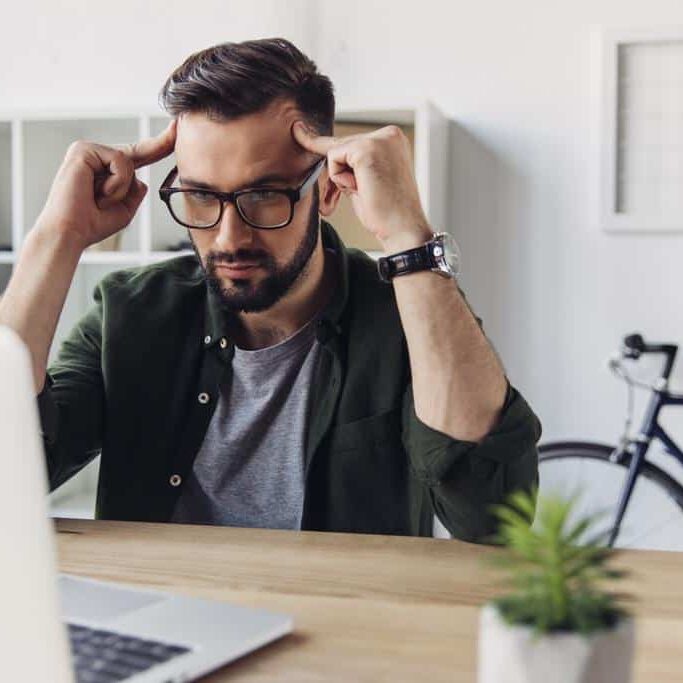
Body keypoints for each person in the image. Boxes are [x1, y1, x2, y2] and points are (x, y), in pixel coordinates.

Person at [0, 38, 541, 540]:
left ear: (327, 189)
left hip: (344, 629)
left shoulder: (405, 317)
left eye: (263, 197)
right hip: (167, 623)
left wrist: (408, 236)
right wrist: (57, 236)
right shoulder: (130, 312)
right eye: (200, 197)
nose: (229, 236)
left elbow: (492, 515)